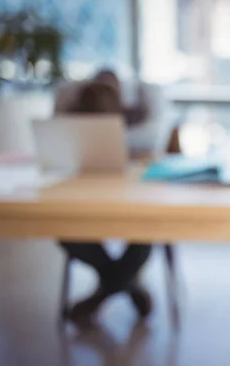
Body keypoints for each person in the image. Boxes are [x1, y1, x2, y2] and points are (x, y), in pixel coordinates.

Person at [56, 73, 153, 327]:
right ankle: (126, 285)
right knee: (64, 228)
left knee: (147, 230)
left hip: (132, 204)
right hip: (79, 202)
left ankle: (99, 296)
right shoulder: (68, 127)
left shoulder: (139, 126)